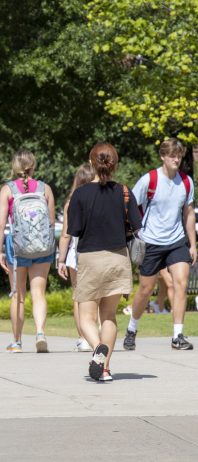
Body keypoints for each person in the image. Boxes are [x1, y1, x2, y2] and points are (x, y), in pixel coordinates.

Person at [67, 142, 141, 381]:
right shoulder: (124, 191)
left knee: (87, 317)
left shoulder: (80, 194)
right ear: (115, 164)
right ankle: (105, 368)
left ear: (91, 163)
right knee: (109, 316)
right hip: (118, 258)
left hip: (90, 258)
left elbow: (74, 229)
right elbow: (137, 225)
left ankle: (97, 348)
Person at [124, 138, 196, 351]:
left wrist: (192, 244)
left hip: (176, 241)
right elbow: (130, 205)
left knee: (180, 283)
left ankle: (178, 336)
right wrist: (135, 233)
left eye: (179, 155)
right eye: (172, 155)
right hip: (152, 243)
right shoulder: (150, 179)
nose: (177, 159)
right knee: (146, 290)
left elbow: (189, 213)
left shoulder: (186, 182)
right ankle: (131, 329)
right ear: (163, 156)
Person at [0, 150, 55, 353]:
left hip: (17, 247)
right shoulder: (45, 188)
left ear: (15, 167)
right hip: (42, 245)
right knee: (39, 292)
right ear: (33, 165)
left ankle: (17, 341)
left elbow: (1, 224)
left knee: (18, 295)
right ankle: (40, 333)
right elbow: (52, 221)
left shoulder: (8, 189)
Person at [57, 163, 95, 352]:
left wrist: (61, 259)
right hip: (98, 251)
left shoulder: (71, 203)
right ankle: (96, 334)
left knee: (79, 296)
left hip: (76, 253)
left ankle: (83, 338)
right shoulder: (101, 199)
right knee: (97, 295)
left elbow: (66, 234)